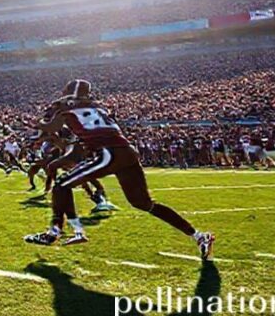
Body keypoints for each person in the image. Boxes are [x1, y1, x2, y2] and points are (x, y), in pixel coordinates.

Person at [24, 79, 215, 261]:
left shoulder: (67, 108)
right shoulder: (98, 107)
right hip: (127, 153)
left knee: (61, 185)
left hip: (109, 152)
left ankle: (55, 233)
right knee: (143, 203)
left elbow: (51, 127)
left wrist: (35, 122)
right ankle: (198, 235)